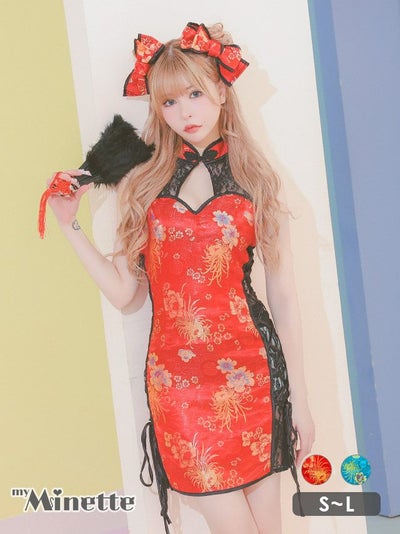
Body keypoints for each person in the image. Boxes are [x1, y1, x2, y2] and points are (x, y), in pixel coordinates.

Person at [48, 21, 314, 534]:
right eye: (169, 101)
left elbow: (283, 296)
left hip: (253, 373)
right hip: (178, 386)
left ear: (221, 90)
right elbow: (125, 294)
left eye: (195, 93)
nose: (185, 112)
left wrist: (300, 399)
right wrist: (70, 226)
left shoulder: (257, 180)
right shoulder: (143, 183)